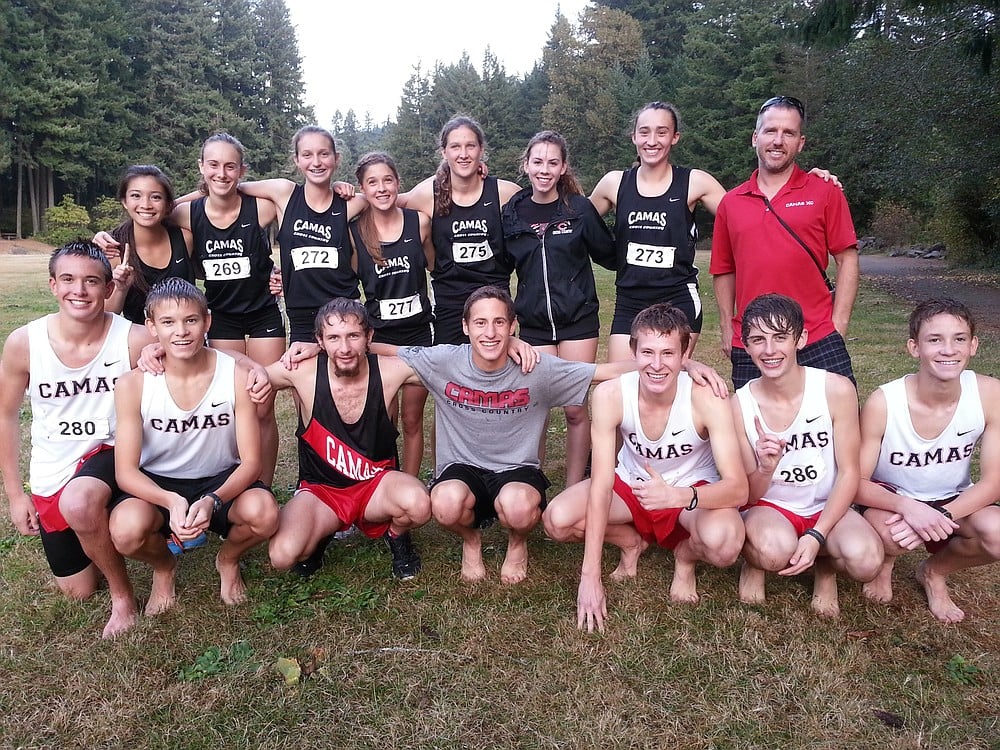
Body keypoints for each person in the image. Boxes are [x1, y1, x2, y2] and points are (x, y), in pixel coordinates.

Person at [396, 286, 635, 585]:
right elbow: (388, 351)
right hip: (461, 468)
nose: (490, 332)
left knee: (518, 507)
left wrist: (677, 364)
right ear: (465, 326)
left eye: (499, 323)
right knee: (444, 503)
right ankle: (471, 541)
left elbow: (603, 372)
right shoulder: (444, 361)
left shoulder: (535, 367)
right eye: (480, 323)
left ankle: (517, 542)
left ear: (512, 327)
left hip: (516, 470)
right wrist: (334, 347)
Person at [544, 304, 747, 632]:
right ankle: (631, 542)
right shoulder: (611, 394)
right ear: (633, 351)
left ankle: (685, 556)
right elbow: (600, 484)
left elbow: (738, 487)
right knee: (557, 520)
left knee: (725, 544)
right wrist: (590, 576)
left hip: (687, 490)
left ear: (685, 353)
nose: (656, 364)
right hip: (633, 486)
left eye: (668, 353)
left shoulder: (706, 398)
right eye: (648, 352)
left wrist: (678, 496)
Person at [97, 133, 285, 485]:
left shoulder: (259, 207)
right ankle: (223, 479)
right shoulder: (185, 216)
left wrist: (234, 185)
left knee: (263, 405)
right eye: (212, 165)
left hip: (263, 312)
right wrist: (102, 236)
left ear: (242, 169)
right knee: (234, 403)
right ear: (201, 167)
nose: (221, 173)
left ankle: (263, 486)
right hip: (220, 315)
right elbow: (154, 209)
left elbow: (287, 189)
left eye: (230, 166)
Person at [0, 241, 154, 638]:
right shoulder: (24, 343)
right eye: (68, 279)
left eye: (91, 281)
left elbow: (200, 361)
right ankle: (93, 540)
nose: (79, 291)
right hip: (55, 469)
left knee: (81, 502)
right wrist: (17, 495)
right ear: (52, 285)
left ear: (108, 287)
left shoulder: (133, 339)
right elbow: (7, 415)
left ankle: (123, 598)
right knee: (78, 591)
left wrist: (254, 370)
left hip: (114, 455)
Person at [110, 279, 279, 611]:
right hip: (160, 482)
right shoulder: (133, 384)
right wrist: (170, 501)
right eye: (168, 322)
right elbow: (126, 472)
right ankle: (164, 566)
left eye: (191, 320)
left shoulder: (234, 375)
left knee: (265, 514)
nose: (181, 332)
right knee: (125, 531)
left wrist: (212, 500)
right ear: (151, 327)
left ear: (207, 322)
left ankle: (228, 559)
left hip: (220, 479)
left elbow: (250, 463)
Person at [731, 294, 881, 617]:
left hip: (826, 504)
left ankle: (825, 568)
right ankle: (753, 562)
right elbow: (748, 494)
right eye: (758, 340)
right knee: (773, 551)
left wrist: (817, 534)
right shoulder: (739, 404)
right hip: (771, 507)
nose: (769, 351)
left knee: (867, 560)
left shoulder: (836, 390)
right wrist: (766, 468)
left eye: (780, 337)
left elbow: (850, 473)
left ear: (801, 339)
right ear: (746, 346)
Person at [266, 298, 431, 581]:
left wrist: (507, 344)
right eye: (333, 338)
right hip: (323, 492)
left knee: (419, 504)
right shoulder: (301, 373)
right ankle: (320, 533)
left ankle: (397, 535)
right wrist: (165, 353)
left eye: (353, 336)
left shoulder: (390, 370)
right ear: (319, 340)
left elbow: (450, 361)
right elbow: (241, 376)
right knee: (282, 555)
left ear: (369, 337)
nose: (344, 348)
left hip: (376, 486)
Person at [857, 298, 1000, 623]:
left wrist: (938, 516)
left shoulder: (991, 394)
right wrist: (909, 509)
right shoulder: (884, 402)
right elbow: (856, 483)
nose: (948, 349)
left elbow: (993, 482)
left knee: (997, 534)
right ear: (914, 347)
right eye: (935, 339)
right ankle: (886, 561)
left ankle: (934, 572)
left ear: (973, 345)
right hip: (894, 499)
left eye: (959, 338)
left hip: (952, 498)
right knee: (892, 536)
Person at [710, 95, 859, 389]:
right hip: (753, 339)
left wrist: (837, 326)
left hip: (817, 335)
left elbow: (848, 258)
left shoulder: (825, 191)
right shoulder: (731, 202)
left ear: (800, 142)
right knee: (752, 431)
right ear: (755, 138)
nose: (778, 140)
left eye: (788, 133)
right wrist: (728, 326)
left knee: (837, 427)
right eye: (770, 131)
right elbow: (724, 269)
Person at [501, 130, 616, 486]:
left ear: (563, 166)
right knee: (533, 409)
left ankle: (572, 487)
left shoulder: (578, 209)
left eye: (553, 162)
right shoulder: (513, 213)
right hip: (534, 326)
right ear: (526, 165)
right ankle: (528, 484)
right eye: (538, 162)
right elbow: (500, 269)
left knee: (574, 408)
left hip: (577, 321)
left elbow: (610, 256)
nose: (545, 169)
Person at [397, 115, 521, 345]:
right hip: (449, 306)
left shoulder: (504, 193)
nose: (463, 154)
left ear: (481, 150)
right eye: (455, 147)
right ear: (444, 152)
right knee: (450, 379)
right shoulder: (427, 195)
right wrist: (339, 193)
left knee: (496, 377)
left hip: (495, 306)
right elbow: (385, 200)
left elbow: (542, 203)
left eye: (470, 146)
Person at [238, 125, 365, 343]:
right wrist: (172, 205)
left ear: (336, 158)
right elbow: (228, 186)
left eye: (324, 154)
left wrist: (337, 185)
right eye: (307, 155)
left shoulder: (352, 203)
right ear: (297, 160)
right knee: (303, 375)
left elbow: (391, 200)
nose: (316, 162)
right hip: (301, 317)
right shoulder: (284, 193)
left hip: (344, 316)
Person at [349, 152, 435, 477]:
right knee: (384, 420)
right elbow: (341, 280)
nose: (382, 188)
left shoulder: (419, 222)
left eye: (387, 180)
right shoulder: (355, 233)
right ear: (363, 189)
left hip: (419, 337)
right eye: (372, 182)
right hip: (380, 340)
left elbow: (436, 266)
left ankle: (409, 489)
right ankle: (381, 486)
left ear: (398, 183)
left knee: (413, 419)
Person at [102, 165, 195, 324]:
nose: (146, 204)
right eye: (136, 195)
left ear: (168, 203)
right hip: (140, 340)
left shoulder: (185, 238)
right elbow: (106, 316)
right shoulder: (112, 248)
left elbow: (210, 194)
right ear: (124, 201)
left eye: (156, 197)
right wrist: (120, 288)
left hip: (185, 337)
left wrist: (170, 205)